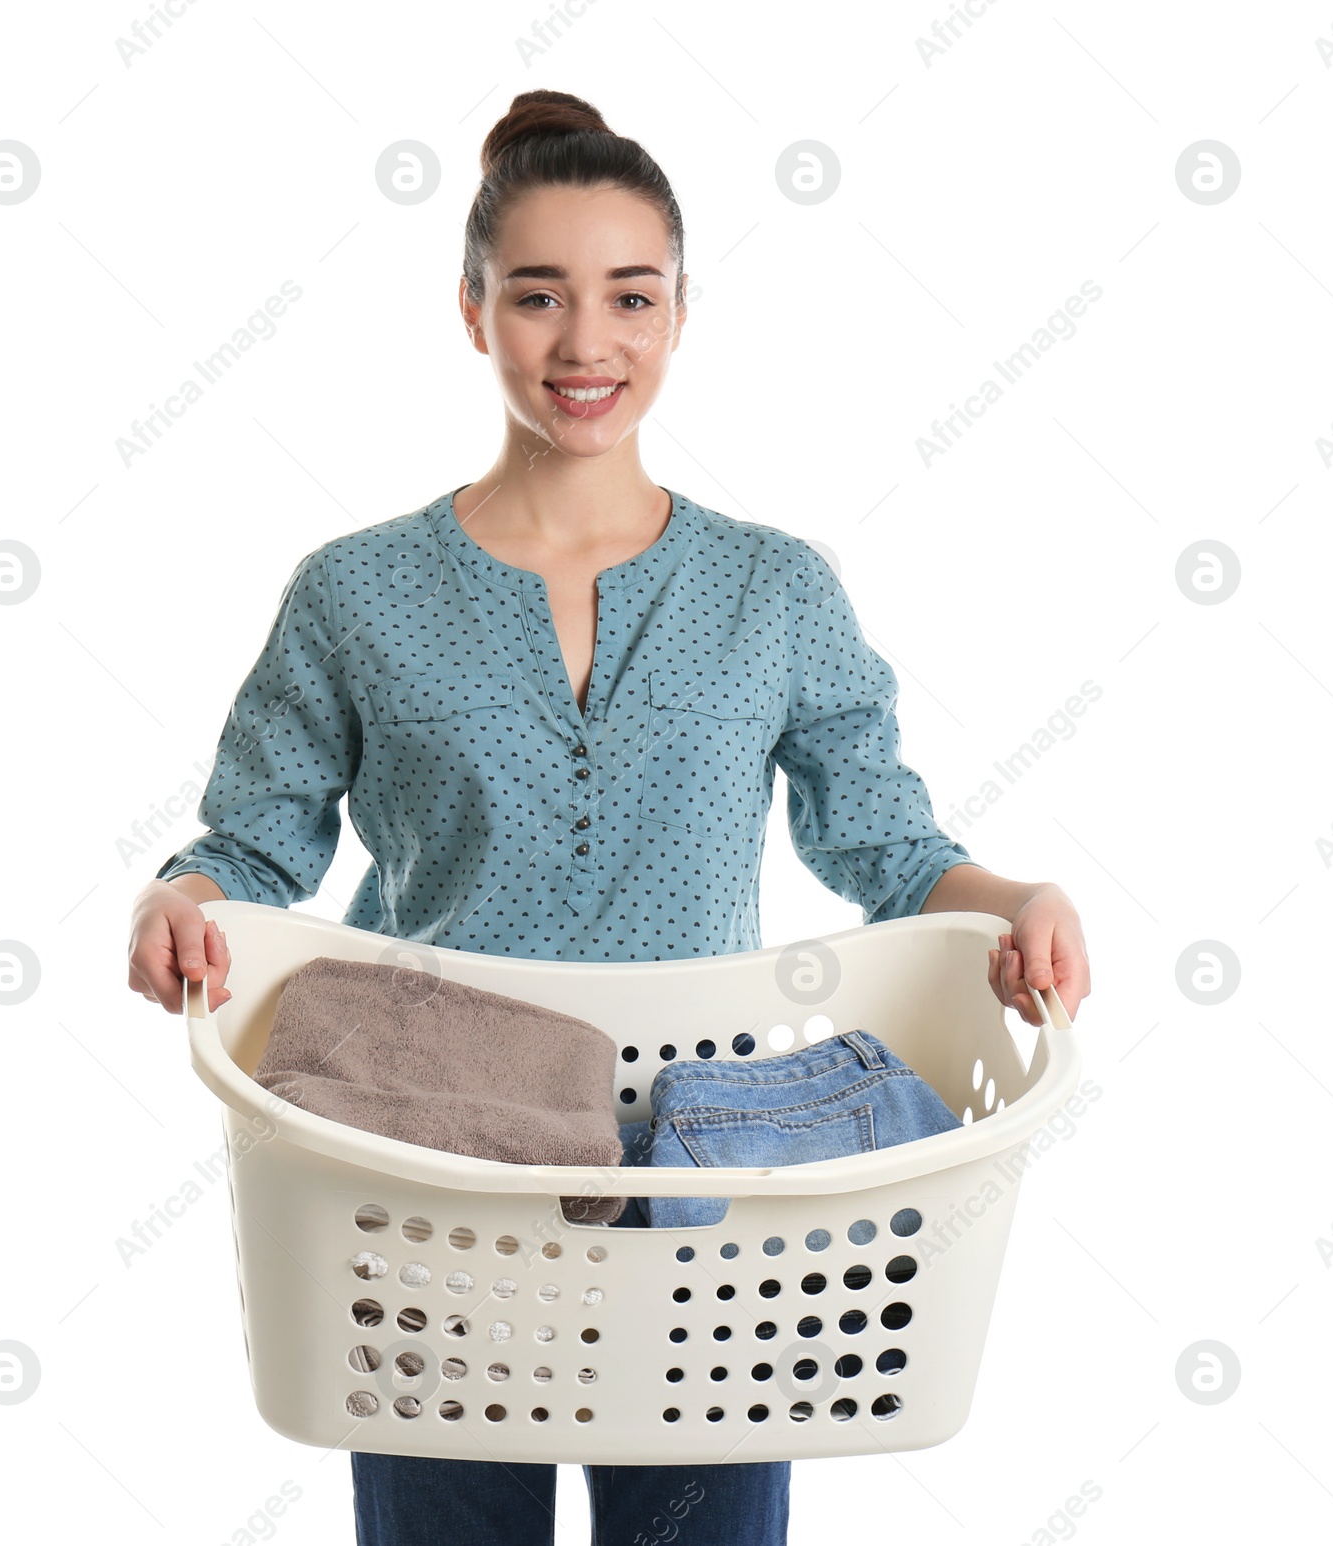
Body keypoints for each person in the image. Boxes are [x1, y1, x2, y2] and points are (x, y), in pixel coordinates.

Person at [127, 87, 1091, 1546]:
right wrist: (178, 899)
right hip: (425, 1174)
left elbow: (885, 847)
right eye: (538, 297)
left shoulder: (776, 591)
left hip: (706, 1193)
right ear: (472, 312)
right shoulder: (352, 593)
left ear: (681, 313)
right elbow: (251, 853)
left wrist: (1016, 902)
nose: (587, 346)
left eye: (629, 297)